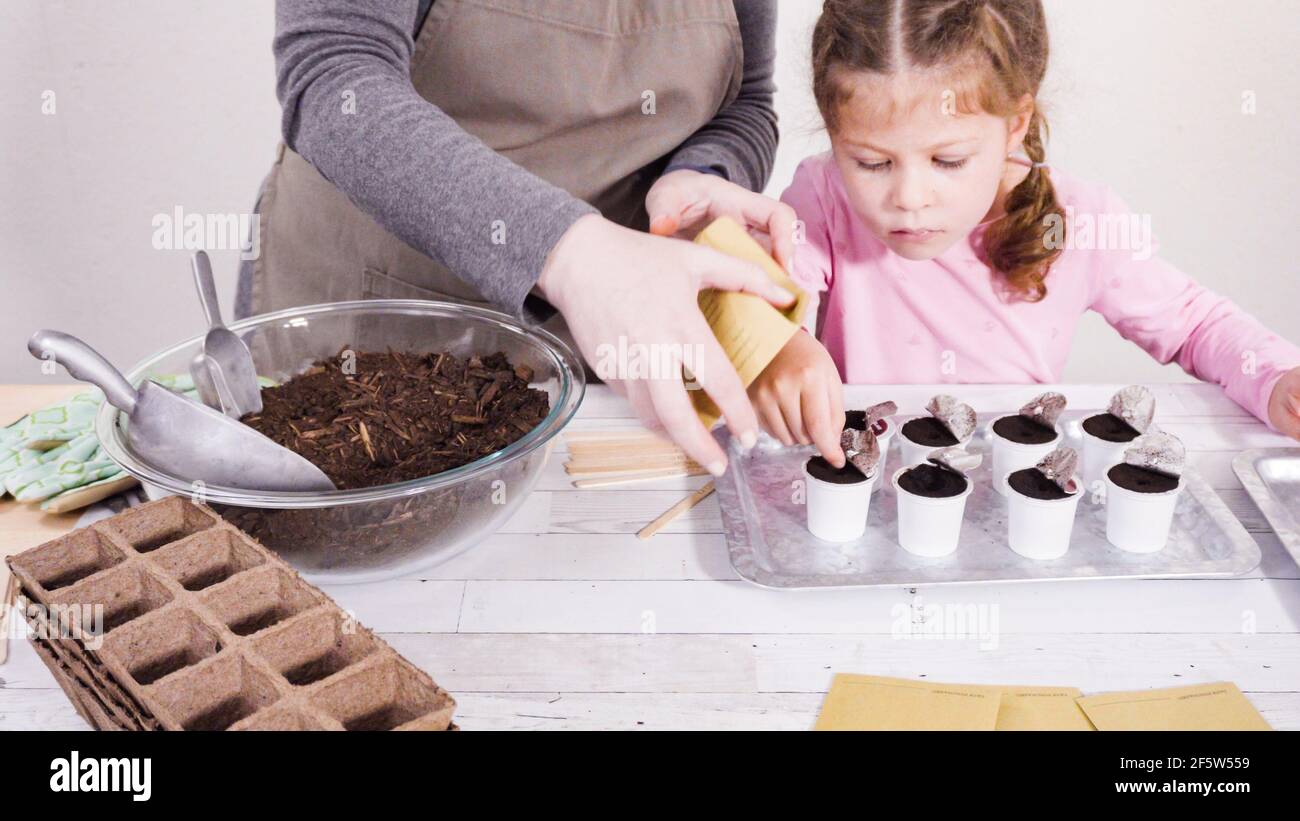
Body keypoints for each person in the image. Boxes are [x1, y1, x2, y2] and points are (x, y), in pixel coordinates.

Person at [235, 0, 801, 477]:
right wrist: (570, 252)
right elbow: (335, 75)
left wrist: (702, 176)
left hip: (610, 331)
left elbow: (746, 101)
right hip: (374, 324)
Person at [752, 0, 1300, 467]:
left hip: (1013, 493)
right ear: (833, 130)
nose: (909, 197)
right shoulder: (823, 195)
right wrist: (777, 344)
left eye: (948, 160)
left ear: (1015, 124)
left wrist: (1276, 378)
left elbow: (1195, 326)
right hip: (862, 479)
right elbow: (752, 298)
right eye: (872, 163)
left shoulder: (1081, 222)